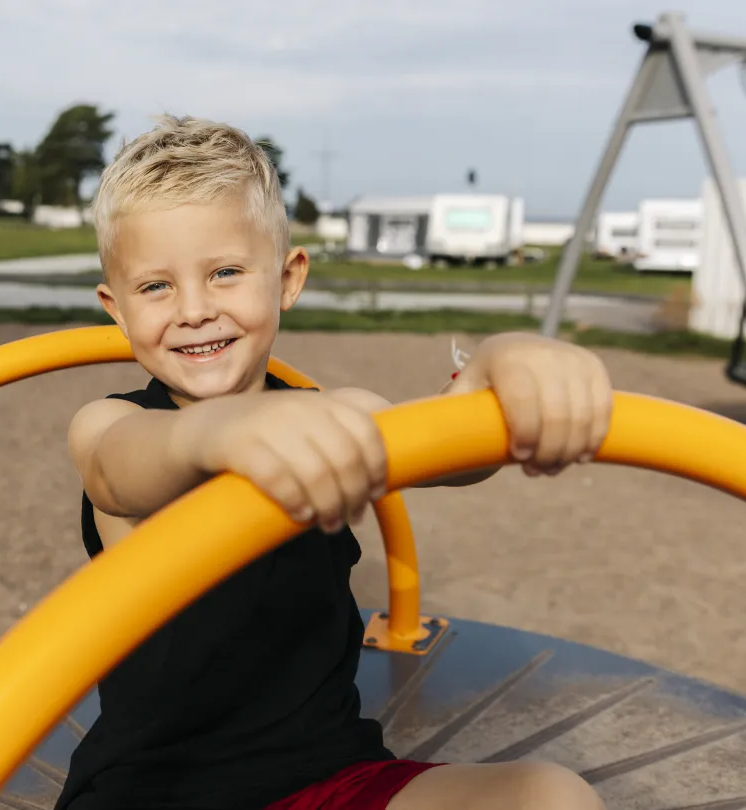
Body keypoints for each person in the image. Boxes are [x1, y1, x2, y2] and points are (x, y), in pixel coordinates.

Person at [54, 115, 610, 810]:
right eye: (156, 287)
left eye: (225, 272)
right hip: (157, 793)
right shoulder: (118, 425)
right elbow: (118, 469)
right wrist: (216, 432)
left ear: (287, 279)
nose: (194, 310)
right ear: (116, 308)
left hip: (325, 779)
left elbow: (459, 453)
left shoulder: (337, 414)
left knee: (552, 796)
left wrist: (504, 367)